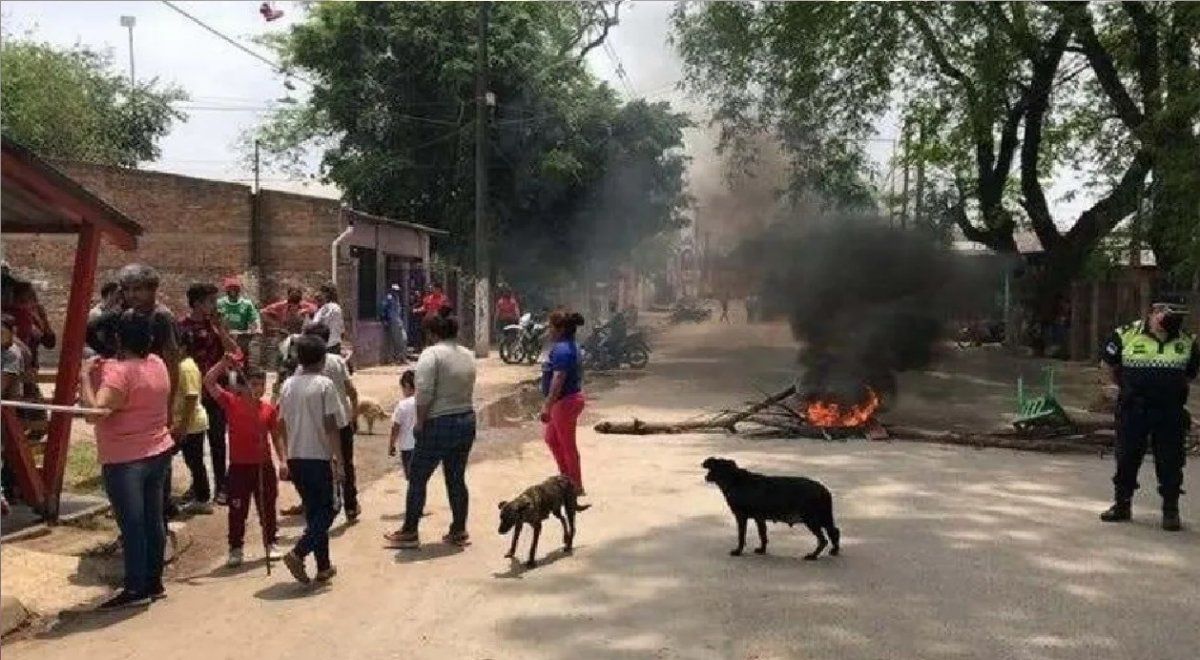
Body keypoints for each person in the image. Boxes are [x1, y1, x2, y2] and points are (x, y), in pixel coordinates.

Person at [79, 311, 176, 609]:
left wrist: (84, 375)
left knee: (133, 525)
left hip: (125, 459)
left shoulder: (120, 373)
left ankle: (135, 588)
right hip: (157, 451)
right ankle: (154, 581)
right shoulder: (157, 364)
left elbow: (93, 414)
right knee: (152, 521)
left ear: (119, 339)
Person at [1099, 297, 1199, 531]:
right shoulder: (1126, 334)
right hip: (1134, 408)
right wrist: (1116, 389)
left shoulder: (1187, 342)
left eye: (1180, 318)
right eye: (1170, 316)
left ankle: (1171, 510)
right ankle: (1122, 504)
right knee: (1126, 457)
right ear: (1154, 313)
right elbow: (1107, 365)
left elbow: (1189, 374)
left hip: (1169, 411)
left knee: (1171, 461)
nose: (1175, 322)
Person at [389, 315, 476, 550]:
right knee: (456, 478)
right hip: (466, 419)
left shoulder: (431, 355)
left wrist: (419, 422)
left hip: (438, 422)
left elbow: (424, 392)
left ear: (432, 333)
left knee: (418, 477)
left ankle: (409, 531)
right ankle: (459, 529)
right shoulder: (468, 355)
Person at [278, 334, 345, 585]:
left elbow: (280, 422)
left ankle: (324, 566)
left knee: (315, 511)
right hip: (319, 457)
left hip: (297, 458)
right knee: (329, 509)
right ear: (322, 358)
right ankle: (299, 552)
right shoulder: (324, 385)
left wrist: (284, 456)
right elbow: (331, 425)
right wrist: (339, 460)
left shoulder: (287, 385)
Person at [204, 355, 283, 567]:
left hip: (263, 465)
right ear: (243, 384)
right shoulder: (230, 402)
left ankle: (271, 542)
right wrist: (223, 363)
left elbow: (276, 437)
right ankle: (236, 547)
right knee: (238, 508)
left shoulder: (268, 409)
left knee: (267, 506)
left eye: (262, 385)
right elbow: (209, 382)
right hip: (239, 467)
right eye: (254, 384)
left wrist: (283, 461)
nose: (258, 389)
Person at [177, 282, 239, 506]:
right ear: (197, 303)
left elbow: (234, 352)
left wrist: (221, 329)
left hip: (215, 390)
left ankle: (222, 486)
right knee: (193, 443)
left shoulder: (216, 326)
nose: (215, 305)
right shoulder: (181, 326)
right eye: (211, 301)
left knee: (217, 441)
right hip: (193, 390)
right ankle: (198, 484)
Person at [300, 323, 360, 522]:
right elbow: (351, 390)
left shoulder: (302, 367)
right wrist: (354, 414)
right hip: (340, 421)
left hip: (315, 424)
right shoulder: (336, 361)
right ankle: (350, 505)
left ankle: (322, 503)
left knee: (321, 463)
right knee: (346, 463)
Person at [540, 311, 587, 495]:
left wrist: (547, 405)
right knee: (551, 439)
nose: (549, 330)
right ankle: (565, 478)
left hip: (564, 402)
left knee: (567, 444)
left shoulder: (563, 350)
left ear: (560, 329)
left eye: (551, 326)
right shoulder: (569, 346)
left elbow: (558, 378)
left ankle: (575, 486)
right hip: (565, 401)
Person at [172, 334, 211, 514]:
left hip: (191, 423)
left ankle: (202, 498)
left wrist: (183, 427)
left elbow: (191, 396)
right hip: (186, 422)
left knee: (194, 461)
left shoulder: (186, 367)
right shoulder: (181, 366)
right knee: (192, 461)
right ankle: (199, 494)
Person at [217, 277, 261, 363]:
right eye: (230, 288)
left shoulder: (246, 304)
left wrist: (257, 328)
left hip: (241, 337)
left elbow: (254, 318)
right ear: (227, 290)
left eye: (235, 288)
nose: (233, 291)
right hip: (224, 337)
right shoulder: (220, 303)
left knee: (244, 358)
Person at [387, 370, 417, 480]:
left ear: (407, 385)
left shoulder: (402, 405)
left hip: (407, 447)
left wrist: (391, 445)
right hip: (422, 446)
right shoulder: (424, 402)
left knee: (411, 479)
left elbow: (395, 427)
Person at [311, 283, 346, 357]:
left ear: (325, 294)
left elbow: (315, 325)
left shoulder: (325, 309)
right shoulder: (337, 308)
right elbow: (342, 329)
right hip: (335, 344)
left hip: (325, 344)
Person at [379, 284, 408, 365]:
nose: (396, 292)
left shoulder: (397, 299)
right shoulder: (389, 298)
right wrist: (384, 319)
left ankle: (401, 358)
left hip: (398, 321)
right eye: (395, 291)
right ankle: (395, 359)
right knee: (395, 341)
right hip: (392, 321)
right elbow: (383, 309)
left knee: (403, 339)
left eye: (397, 291)